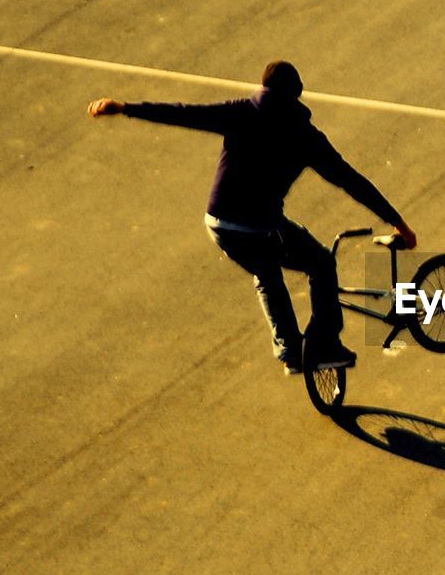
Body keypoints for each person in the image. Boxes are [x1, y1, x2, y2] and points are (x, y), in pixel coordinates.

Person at [87, 61, 416, 375]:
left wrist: (125, 107)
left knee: (267, 272)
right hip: (261, 226)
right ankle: (325, 345)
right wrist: (397, 221)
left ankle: (290, 351)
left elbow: (184, 114)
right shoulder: (305, 136)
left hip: (220, 223)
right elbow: (351, 180)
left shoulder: (240, 112)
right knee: (319, 263)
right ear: (297, 93)